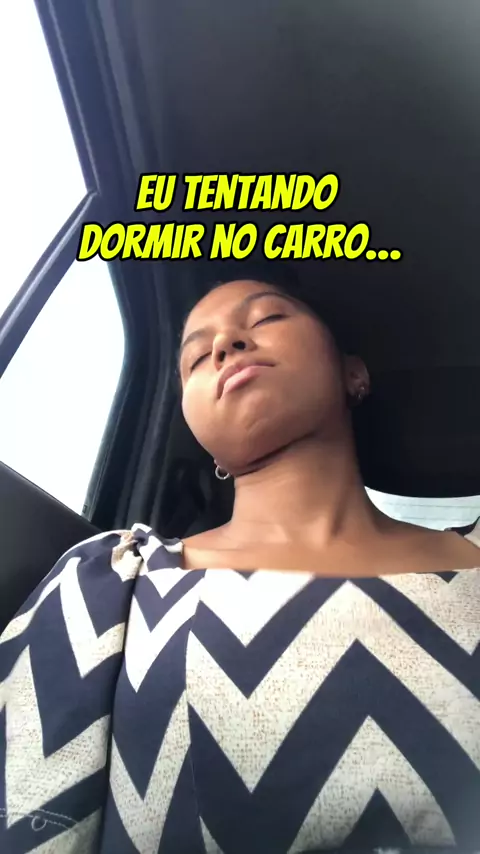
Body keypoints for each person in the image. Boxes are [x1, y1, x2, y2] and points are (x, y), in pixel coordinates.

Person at [1, 273, 479, 854]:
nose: (226, 345)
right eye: (197, 357)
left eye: (267, 318)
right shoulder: (106, 581)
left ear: (352, 372)